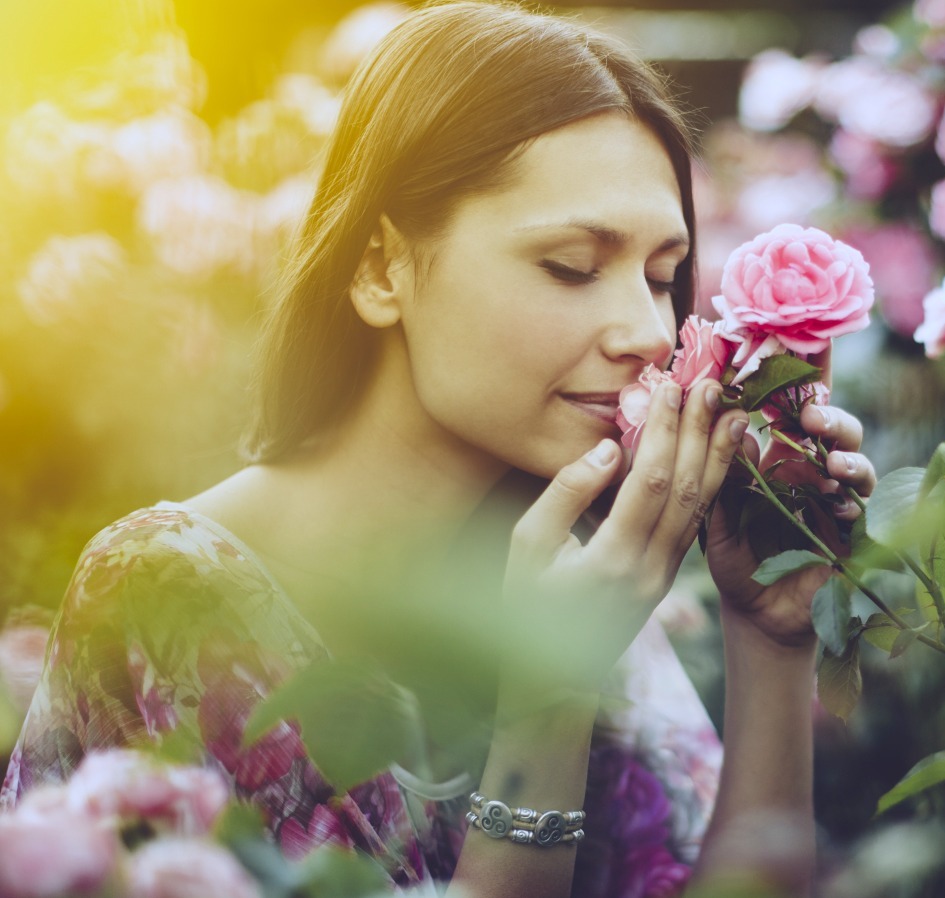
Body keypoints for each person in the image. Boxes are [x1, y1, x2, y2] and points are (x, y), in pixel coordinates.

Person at [0, 4, 879, 896]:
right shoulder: (166, 593)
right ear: (381, 269)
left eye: (662, 277)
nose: (650, 333)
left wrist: (771, 638)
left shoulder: (570, 574)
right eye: (572, 266)